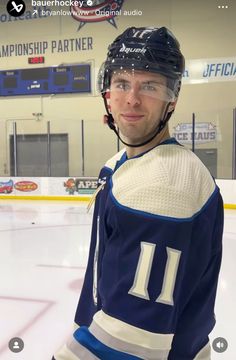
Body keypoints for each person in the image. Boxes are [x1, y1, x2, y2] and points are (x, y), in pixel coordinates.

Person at [53, 26, 224, 360]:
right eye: (122, 84)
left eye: (149, 86)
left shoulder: (164, 186)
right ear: (107, 92)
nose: (131, 98)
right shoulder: (120, 164)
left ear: (171, 97)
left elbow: (130, 338)